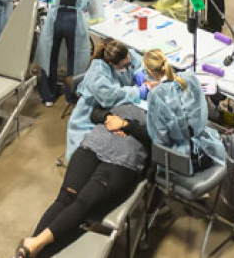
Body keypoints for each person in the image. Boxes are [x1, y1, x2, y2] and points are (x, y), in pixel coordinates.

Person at [13, 101, 149, 258]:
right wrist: (108, 117)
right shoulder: (127, 94)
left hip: (122, 160)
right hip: (92, 146)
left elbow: (157, 138)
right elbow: (95, 112)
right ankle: (32, 247)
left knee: (83, 203)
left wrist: (126, 124)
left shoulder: (160, 108)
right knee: (65, 198)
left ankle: (34, 244)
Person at [35, 0, 104, 106]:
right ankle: (70, 97)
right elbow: (95, 13)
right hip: (74, 21)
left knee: (50, 56)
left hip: (54, 18)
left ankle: (48, 96)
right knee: (75, 58)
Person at [144, 49, 225, 170]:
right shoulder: (190, 78)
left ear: (149, 72)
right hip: (209, 149)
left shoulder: (156, 96)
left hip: (182, 161)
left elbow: (160, 138)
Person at [66, 39, 146, 159]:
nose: (128, 67)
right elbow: (110, 96)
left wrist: (139, 71)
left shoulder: (124, 53)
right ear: (110, 63)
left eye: (129, 63)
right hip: (91, 110)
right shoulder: (97, 73)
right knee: (91, 149)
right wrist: (137, 92)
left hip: (118, 106)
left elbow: (139, 62)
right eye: (124, 66)